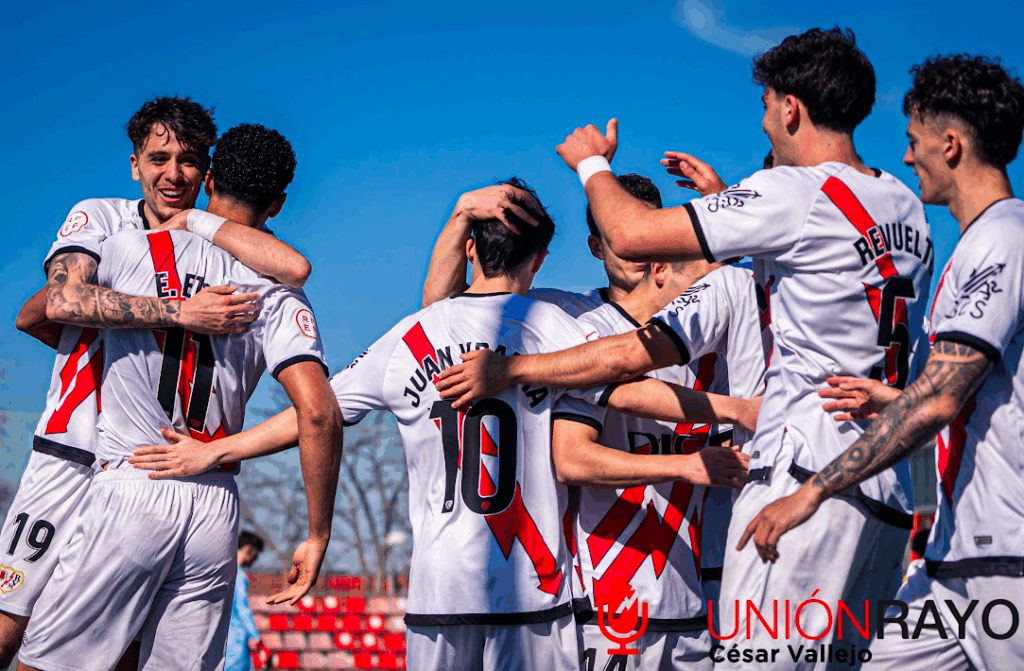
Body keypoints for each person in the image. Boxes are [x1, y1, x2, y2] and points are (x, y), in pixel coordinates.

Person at [442, 27, 933, 668]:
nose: (764, 125)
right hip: (882, 486)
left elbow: (632, 238)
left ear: (791, 108)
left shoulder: (795, 192)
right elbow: (814, 268)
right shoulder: (904, 206)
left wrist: (592, 164)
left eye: (764, 107)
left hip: (803, 479)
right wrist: (723, 204)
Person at [128, 178, 756, 671]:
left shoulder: (411, 335)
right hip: (536, 591)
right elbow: (632, 391)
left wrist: (216, 451)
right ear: (541, 258)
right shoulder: (564, 331)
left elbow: (315, 413)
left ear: (473, 248)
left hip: (438, 590)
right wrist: (730, 411)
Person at [15, 123, 343, 671]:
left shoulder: (124, 249)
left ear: (207, 177)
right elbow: (318, 413)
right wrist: (316, 534)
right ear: (280, 203)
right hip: (214, 501)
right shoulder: (280, 292)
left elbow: (40, 312)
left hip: (134, 478)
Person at [737, 53, 1024, 671]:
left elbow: (944, 399)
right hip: (953, 566)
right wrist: (893, 398)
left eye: (913, 141)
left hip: (1007, 563)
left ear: (951, 145)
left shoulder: (1005, 239)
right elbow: (968, 391)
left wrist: (812, 490)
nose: (904, 158)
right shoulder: (976, 243)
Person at [227, 531, 265, 671]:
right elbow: (242, 608)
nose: (255, 559)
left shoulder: (221, 571)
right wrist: (255, 636)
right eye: (256, 554)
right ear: (249, 550)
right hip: (235, 642)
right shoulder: (239, 575)